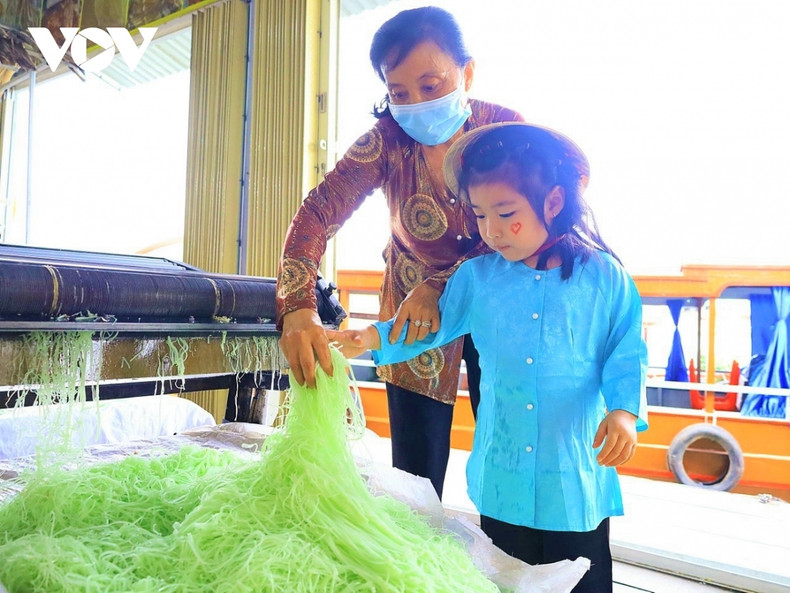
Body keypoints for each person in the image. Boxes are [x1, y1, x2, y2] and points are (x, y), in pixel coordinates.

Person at [327, 122, 649, 593]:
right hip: (505, 479)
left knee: (581, 581)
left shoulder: (605, 279)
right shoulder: (479, 279)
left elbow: (628, 350)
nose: (491, 232)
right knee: (504, 578)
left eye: (505, 213)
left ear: (554, 203)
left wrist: (623, 412)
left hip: (574, 476)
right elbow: (426, 327)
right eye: (479, 215)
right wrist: (368, 338)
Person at [275, 6, 523, 499]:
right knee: (416, 466)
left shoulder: (504, 131)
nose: (416, 105)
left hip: (496, 296)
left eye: (431, 87)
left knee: (510, 439)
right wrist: (297, 308)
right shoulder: (386, 141)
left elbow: (527, 227)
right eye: (399, 93)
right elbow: (318, 214)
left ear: (466, 73)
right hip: (411, 308)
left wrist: (442, 285)